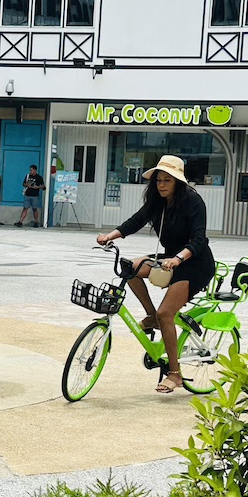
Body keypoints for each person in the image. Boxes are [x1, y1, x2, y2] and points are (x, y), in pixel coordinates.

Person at [97, 154, 216, 395]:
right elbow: (136, 221)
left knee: (166, 314)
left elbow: (199, 239)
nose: (161, 185)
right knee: (130, 268)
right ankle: (151, 316)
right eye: (158, 180)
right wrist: (110, 236)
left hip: (195, 264)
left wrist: (178, 258)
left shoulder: (193, 202)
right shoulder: (157, 202)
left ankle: (175, 374)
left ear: (178, 182)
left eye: (167, 180)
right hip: (170, 258)